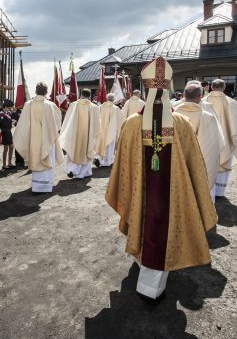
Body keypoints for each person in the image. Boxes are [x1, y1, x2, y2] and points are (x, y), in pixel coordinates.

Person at [105, 57, 216, 301]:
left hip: (141, 194)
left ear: (146, 89)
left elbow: (122, 167)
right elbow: (195, 165)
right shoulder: (182, 123)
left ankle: (144, 263)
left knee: (143, 217)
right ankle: (151, 287)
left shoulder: (132, 124)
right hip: (172, 195)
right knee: (166, 225)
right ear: (167, 88)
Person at [174, 81, 225, 195]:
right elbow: (216, 144)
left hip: (177, 161)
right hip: (200, 163)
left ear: (184, 95)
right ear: (200, 97)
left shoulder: (172, 112)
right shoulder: (208, 116)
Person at [13, 82, 65, 193]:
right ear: (46, 92)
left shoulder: (28, 105)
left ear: (36, 91)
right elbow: (57, 122)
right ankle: (45, 187)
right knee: (47, 160)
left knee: (35, 159)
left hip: (33, 140)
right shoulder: (50, 105)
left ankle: (36, 187)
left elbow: (23, 125)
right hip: (48, 139)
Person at [203, 78, 237, 199]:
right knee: (224, 158)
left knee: (208, 162)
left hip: (208, 138)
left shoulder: (203, 101)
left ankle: (209, 189)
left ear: (211, 87)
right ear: (224, 87)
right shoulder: (230, 102)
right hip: (225, 137)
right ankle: (220, 192)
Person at [59, 88, 100, 179]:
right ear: (90, 96)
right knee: (87, 151)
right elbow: (97, 123)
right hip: (88, 134)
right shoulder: (94, 107)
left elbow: (68, 120)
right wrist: (94, 134)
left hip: (75, 133)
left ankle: (72, 170)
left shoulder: (73, 105)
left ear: (81, 94)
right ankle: (84, 173)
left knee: (74, 150)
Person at [94, 93, 125, 167]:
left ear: (106, 99)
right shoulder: (116, 108)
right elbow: (121, 120)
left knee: (102, 145)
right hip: (112, 130)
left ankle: (100, 159)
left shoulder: (100, 107)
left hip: (101, 130)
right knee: (110, 147)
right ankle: (108, 161)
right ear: (113, 100)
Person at [0, 99, 15, 169]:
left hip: (9, 131)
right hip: (5, 132)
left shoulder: (7, 113)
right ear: (6, 106)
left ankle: (9, 162)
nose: (10, 108)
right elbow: (2, 123)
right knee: (6, 148)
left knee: (11, 147)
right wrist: (11, 123)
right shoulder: (1, 113)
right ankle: (4, 164)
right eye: (9, 107)